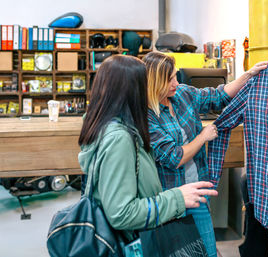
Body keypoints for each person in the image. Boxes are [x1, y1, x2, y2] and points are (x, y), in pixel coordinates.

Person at [77, 55, 218, 243]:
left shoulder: (106, 124)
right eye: (146, 83)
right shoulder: (119, 138)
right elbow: (122, 213)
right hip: (135, 236)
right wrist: (177, 198)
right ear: (132, 90)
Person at [144, 51, 268, 257]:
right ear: (155, 82)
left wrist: (248, 75)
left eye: (175, 75)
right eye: (169, 79)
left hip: (198, 190)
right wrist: (203, 136)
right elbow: (173, 158)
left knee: (208, 251)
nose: (176, 82)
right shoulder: (147, 114)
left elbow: (219, 95)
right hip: (170, 198)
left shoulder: (183, 94)